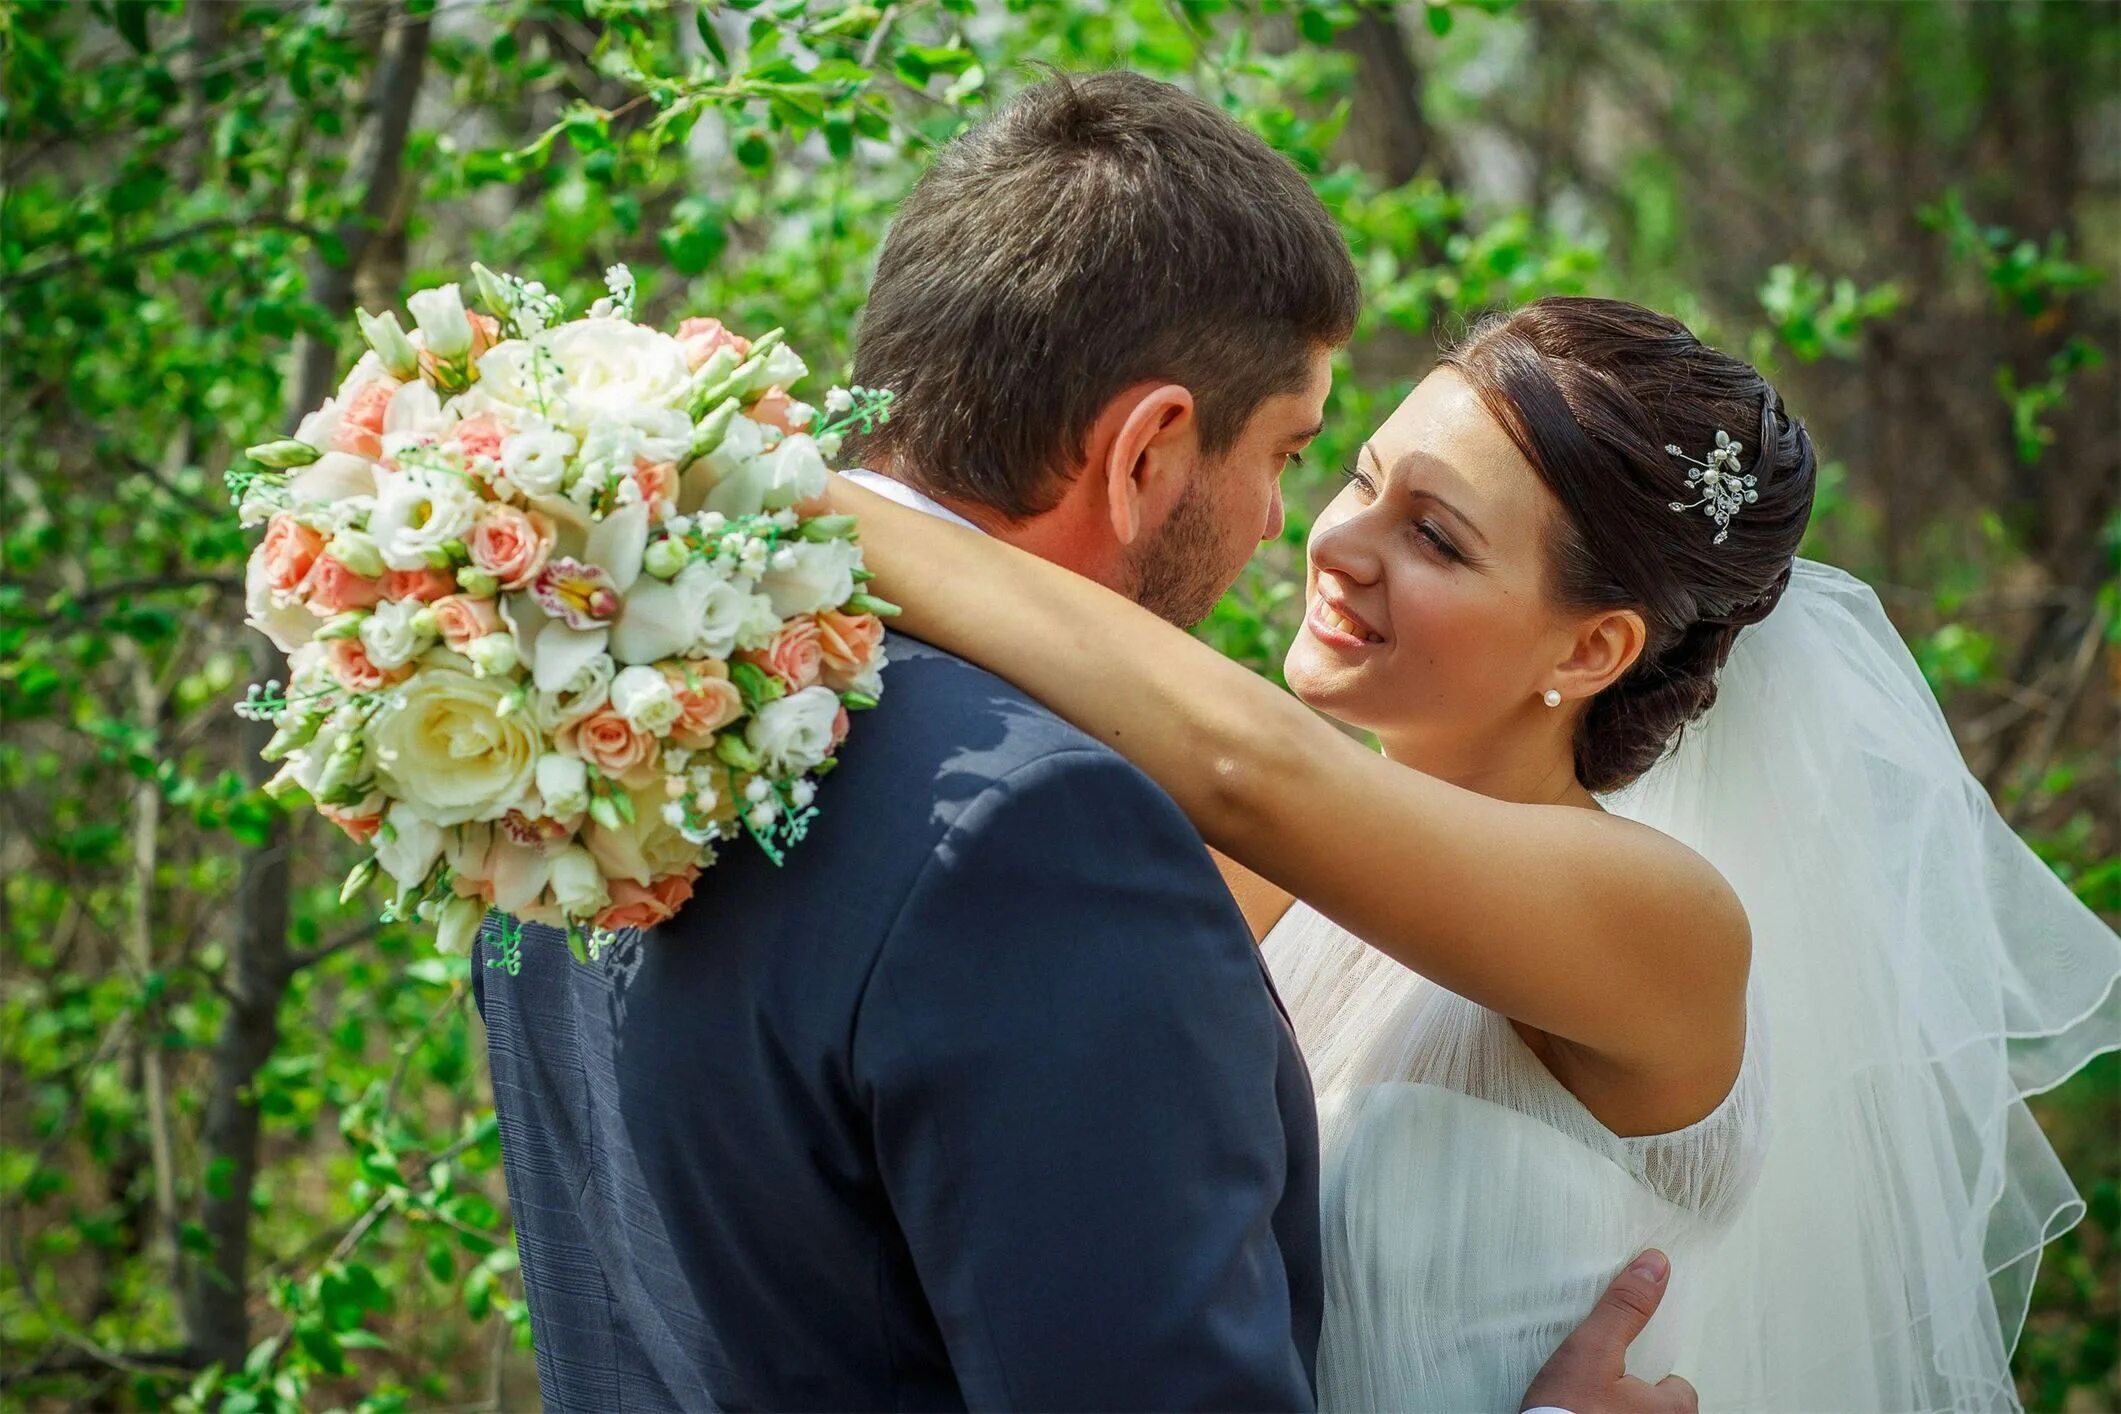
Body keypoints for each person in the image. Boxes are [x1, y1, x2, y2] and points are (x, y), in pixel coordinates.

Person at [475, 75, 1688, 1412]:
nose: (1298, 532)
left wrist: (732, 485)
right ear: (1148, 451)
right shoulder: (1042, 836)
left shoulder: (576, 707)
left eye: (1434, 528)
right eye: (1299, 456)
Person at [830, 293, 2121, 1411]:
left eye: (1434, 537)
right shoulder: (1280, 884)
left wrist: (779, 494)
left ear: (1587, 650)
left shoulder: (1652, 913)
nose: (1333, 543)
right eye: (1357, 477)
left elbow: (1249, 765)